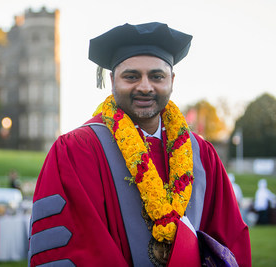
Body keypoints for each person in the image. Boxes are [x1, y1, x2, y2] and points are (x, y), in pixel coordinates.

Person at [28, 22, 251, 267]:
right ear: (112, 79)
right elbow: (76, 247)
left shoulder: (202, 155)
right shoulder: (77, 150)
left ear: (172, 80)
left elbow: (229, 240)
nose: (145, 87)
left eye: (157, 76)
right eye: (131, 76)